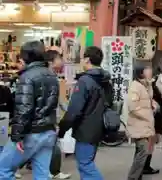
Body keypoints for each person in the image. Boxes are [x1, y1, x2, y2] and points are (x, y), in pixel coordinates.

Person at [0, 41, 59, 179]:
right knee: (42, 174)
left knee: (3, 169)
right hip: (48, 130)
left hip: (31, 133)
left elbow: (24, 109)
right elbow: (52, 103)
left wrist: (17, 136)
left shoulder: (26, 77)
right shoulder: (51, 75)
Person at [58, 46, 113, 180]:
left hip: (85, 129)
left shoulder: (85, 81)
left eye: (83, 58)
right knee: (88, 162)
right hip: (100, 128)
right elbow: (110, 102)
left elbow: (74, 110)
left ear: (87, 60)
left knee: (85, 164)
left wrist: (62, 128)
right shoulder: (106, 80)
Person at [126, 64, 157, 180]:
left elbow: (148, 100)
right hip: (138, 124)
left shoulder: (146, 84)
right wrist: (148, 115)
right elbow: (133, 107)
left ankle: (137, 176)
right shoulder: (135, 86)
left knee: (141, 151)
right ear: (141, 72)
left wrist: (153, 105)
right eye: (147, 69)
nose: (150, 71)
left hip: (146, 125)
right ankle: (132, 177)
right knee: (143, 151)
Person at [45, 50, 72, 179]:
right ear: (51, 62)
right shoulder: (47, 77)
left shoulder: (53, 76)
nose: (61, 61)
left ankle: (53, 171)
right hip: (46, 119)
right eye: (59, 58)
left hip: (50, 118)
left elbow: (58, 100)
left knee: (51, 146)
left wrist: (68, 110)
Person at [142, 72, 162, 175]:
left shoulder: (153, 85)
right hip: (152, 119)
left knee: (151, 143)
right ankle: (144, 166)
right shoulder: (150, 86)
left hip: (155, 118)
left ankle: (145, 165)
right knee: (149, 143)